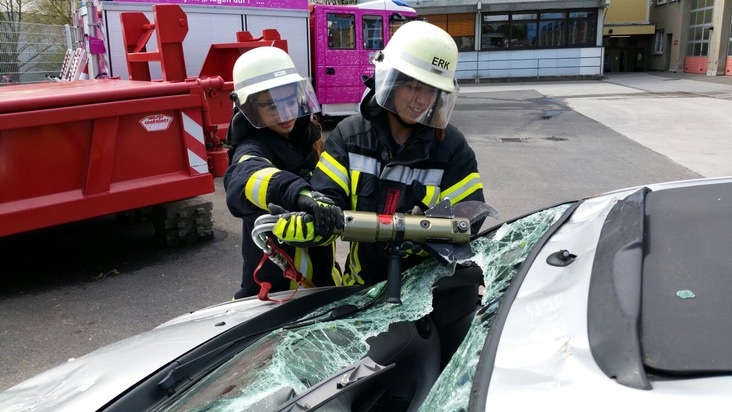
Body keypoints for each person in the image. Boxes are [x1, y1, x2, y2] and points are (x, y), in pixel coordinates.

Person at [305, 20, 486, 286]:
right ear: (390, 80)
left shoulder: (451, 147)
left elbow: (469, 219)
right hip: (359, 287)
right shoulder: (349, 137)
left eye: (432, 90)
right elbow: (326, 199)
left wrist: (426, 239)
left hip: (426, 293)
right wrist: (317, 214)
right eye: (413, 86)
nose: (423, 100)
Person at [224, 46, 342, 299]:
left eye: (289, 101)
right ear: (251, 109)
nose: (286, 113)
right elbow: (244, 180)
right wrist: (298, 194)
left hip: (324, 281)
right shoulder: (251, 148)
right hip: (275, 292)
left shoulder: (308, 138)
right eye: (272, 106)